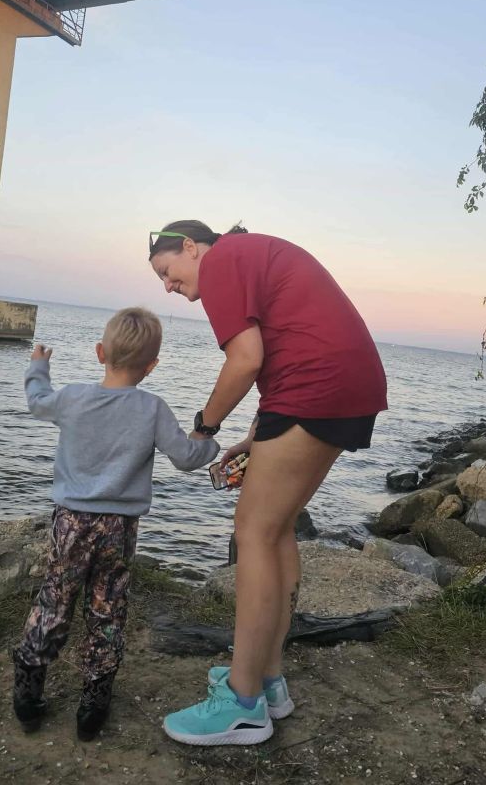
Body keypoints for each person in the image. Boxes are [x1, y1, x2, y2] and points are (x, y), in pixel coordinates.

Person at [148, 222, 387, 746]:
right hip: (343, 383)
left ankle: (242, 702)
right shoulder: (253, 252)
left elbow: (246, 359)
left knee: (253, 531)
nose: (168, 286)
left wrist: (205, 428)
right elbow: (282, 350)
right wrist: (255, 438)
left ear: (191, 247)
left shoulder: (223, 260)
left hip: (315, 386)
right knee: (275, 531)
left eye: (167, 272)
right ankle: (268, 680)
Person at [12, 307, 219, 741]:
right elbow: (185, 458)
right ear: (152, 365)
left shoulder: (73, 398)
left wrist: (38, 366)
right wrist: (209, 441)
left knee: (55, 599)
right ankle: (93, 703)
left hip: (69, 522)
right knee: (107, 608)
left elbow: (36, 402)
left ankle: (28, 692)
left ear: (100, 352)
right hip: (119, 529)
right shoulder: (153, 409)